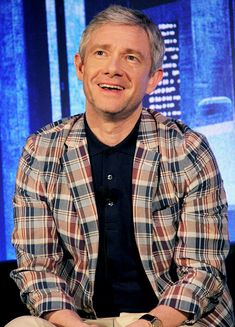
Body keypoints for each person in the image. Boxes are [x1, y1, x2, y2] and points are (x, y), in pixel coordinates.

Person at [6, 4, 234, 327]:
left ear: (153, 78)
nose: (113, 68)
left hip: (172, 320)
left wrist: (147, 324)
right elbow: (38, 271)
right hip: (83, 320)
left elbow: (202, 272)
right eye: (101, 53)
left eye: (131, 57)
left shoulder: (188, 149)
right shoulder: (41, 150)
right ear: (80, 67)